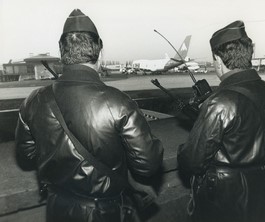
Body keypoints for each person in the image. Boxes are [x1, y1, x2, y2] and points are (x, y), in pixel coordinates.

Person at [15, 9, 163, 222]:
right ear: (99, 51)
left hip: (57, 209)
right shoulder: (118, 102)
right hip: (105, 213)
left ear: (62, 51)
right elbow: (148, 165)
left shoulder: (34, 100)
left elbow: (25, 158)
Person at [177, 20, 265, 222]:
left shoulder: (220, 101)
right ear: (248, 54)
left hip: (224, 199)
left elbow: (192, 161)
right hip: (260, 188)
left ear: (217, 58)